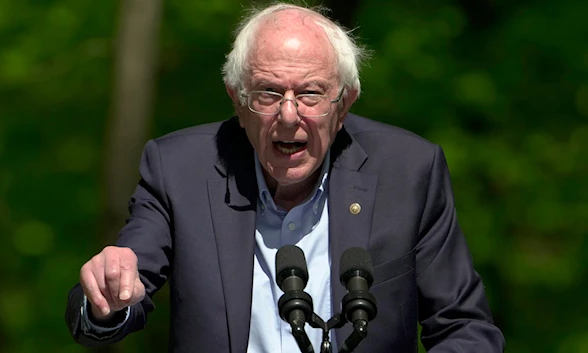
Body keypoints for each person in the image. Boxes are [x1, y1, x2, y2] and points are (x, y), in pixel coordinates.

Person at [65, 3, 505, 353]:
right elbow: (116, 297)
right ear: (237, 101)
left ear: (344, 102)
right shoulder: (177, 169)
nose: (289, 116)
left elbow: (464, 327)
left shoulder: (408, 171)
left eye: (310, 93)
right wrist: (107, 298)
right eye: (269, 93)